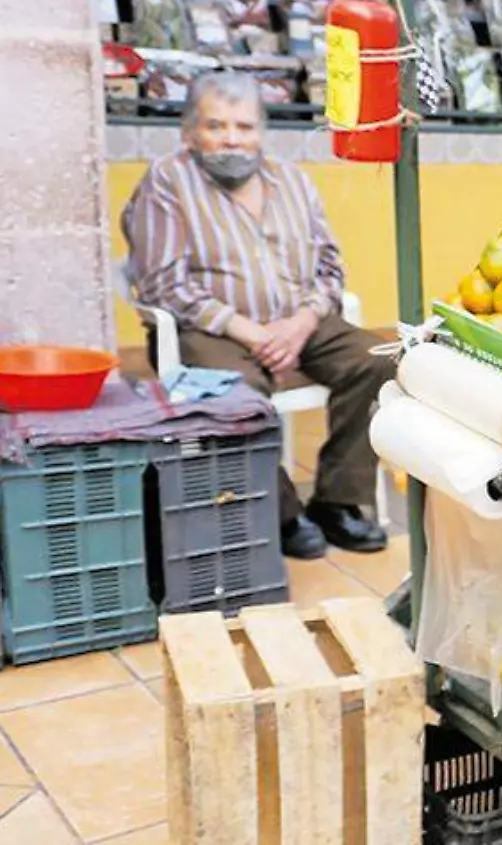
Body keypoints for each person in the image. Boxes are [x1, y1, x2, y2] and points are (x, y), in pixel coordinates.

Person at [123, 72, 392, 559]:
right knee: (238, 391)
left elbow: (330, 267)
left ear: (261, 132)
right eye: (216, 126)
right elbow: (162, 281)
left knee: (377, 359)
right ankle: (282, 512)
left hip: (298, 321)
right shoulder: (168, 180)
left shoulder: (292, 181)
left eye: (244, 127)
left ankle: (338, 502)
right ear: (189, 132)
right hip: (214, 328)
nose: (232, 138)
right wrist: (250, 332)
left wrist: (302, 323)